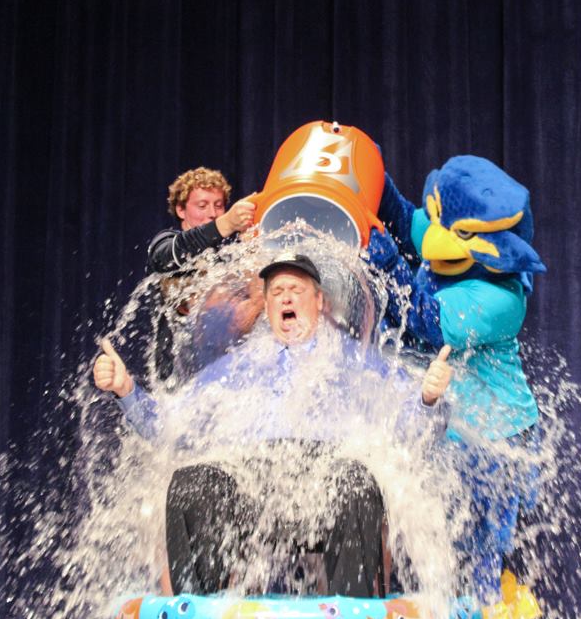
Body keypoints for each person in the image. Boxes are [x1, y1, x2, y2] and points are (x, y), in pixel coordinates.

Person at [94, 253, 454, 598]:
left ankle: (355, 613)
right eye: (277, 292)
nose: (286, 298)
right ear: (267, 308)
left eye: (296, 290)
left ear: (318, 301)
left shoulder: (352, 359)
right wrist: (126, 389)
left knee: (356, 483)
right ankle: (198, 618)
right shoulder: (238, 365)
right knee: (191, 484)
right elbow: (168, 427)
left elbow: (409, 430)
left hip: (326, 483)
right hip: (250, 486)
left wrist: (428, 398)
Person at [145, 167, 259, 381]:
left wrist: (251, 248)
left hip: (221, 378)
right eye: (202, 205)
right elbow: (165, 258)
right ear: (180, 210)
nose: (212, 213)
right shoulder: (166, 242)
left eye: (218, 206)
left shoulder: (228, 257)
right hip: (175, 382)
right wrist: (225, 225)